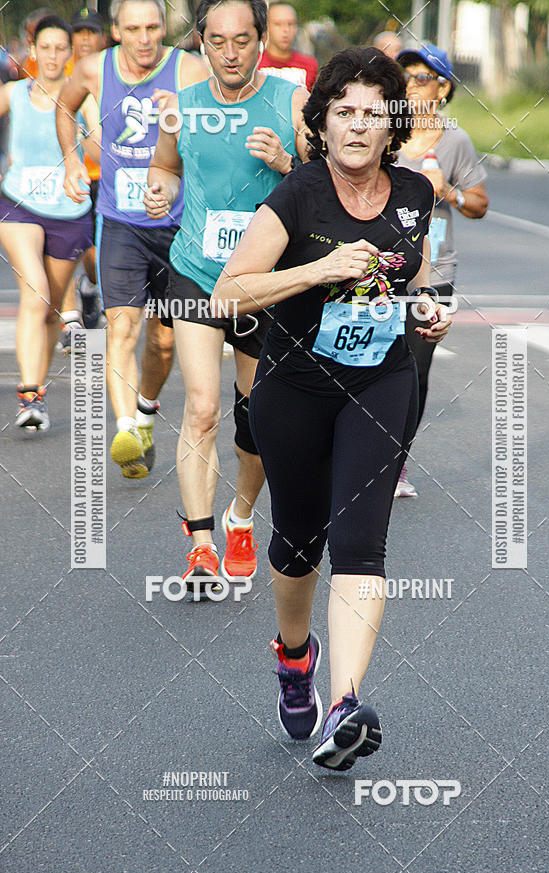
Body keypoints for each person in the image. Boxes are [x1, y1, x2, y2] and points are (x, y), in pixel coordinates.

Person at [212, 48, 452, 769]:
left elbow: (415, 275)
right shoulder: (299, 196)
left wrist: (426, 312)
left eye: (372, 113)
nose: (356, 125)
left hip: (380, 381)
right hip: (294, 385)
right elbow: (228, 293)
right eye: (343, 111)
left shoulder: (414, 192)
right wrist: (319, 268)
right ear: (322, 121)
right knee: (296, 541)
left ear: (391, 126)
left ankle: (344, 705)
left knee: (360, 542)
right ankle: (294, 657)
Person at [144, 0, 309, 590]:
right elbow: (164, 170)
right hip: (194, 271)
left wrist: (287, 162)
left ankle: (242, 517)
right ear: (201, 42)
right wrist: (158, 195)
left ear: (261, 39)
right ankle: (202, 545)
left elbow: (323, 185)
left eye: (243, 40)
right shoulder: (182, 109)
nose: (231, 52)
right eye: (218, 41)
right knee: (202, 406)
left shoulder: (290, 103)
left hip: (261, 280)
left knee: (256, 417)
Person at [57, 0, 208, 478]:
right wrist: (71, 158)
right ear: (116, 31)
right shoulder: (93, 68)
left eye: (153, 28)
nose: (145, 39)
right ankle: (125, 429)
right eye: (134, 29)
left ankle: (144, 415)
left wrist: (189, 112)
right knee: (122, 328)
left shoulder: (188, 69)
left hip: (180, 225)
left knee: (163, 343)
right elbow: (65, 105)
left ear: (165, 28)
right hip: (121, 222)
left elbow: (222, 123)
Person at [393, 44, 488, 497]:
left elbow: (480, 206)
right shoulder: (383, 133)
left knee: (415, 371)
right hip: (376, 268)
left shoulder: (456, 141)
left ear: (444, 87)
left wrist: (449, 192)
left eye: (422, 77)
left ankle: (396, 465)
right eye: (405, 75)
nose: (411, 84)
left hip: (434, 272)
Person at [0, 15, 94, 431]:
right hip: (18, 203)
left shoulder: (81, 96)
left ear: (69, 54)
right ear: (32, 51)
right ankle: (28, 391)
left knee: (53, 307)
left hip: (70, 209)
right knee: (35, 293)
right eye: (46, 48)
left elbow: (102, 140)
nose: (54, 56)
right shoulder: (14, 93)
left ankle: (36, 396)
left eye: (61, 48)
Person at [58, 7, 106, 353]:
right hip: (68, 173)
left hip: (103, 173)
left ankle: (90, 288)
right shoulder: (61, 73)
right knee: (64, 245)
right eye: (80, 33)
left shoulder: (113, 71)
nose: (86, 39)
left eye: (92, 32)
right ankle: (69, 316)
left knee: (91, 253)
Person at [258, 1, 318, 90]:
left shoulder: (310, 65)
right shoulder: (255, 63)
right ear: (267, 27)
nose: (286, 30)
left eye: (290, 24)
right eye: (278, 24)